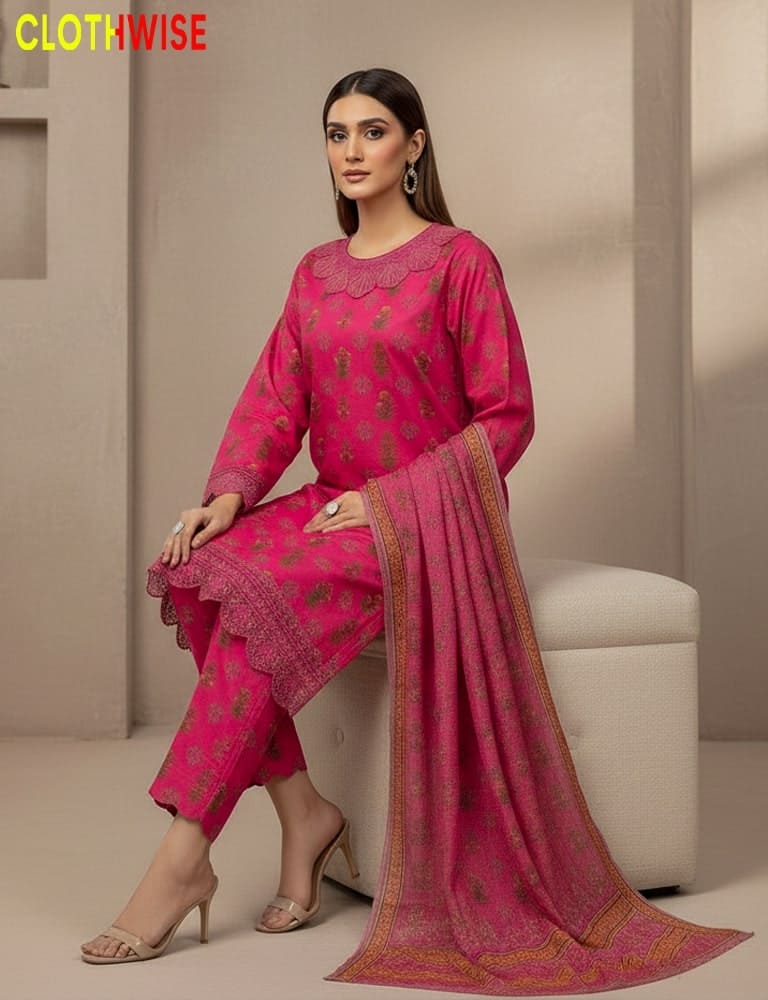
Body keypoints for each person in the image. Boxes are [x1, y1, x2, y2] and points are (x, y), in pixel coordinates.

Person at [80, 64, 535, 962]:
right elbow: (274, 403)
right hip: (333, 506)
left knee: (258, 603)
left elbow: (508, 418)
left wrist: (387, 502)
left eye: (372, 131)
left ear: (414, 145)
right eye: (337, 133)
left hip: (421, 521)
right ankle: (305, 814)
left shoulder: (460, 260)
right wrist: (224, 499)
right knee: (197, 570)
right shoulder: (316, 272)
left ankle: (183, 854)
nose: (352, 150)